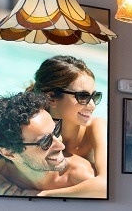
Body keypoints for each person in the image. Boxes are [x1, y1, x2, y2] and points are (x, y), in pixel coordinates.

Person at [0, 91, 95, 197]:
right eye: (45, 141)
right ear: (9, 153)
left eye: (56, 131)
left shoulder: (82, 180)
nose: (61, 146)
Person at [29, 55, 107, 197]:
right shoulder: (29, 129)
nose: (92, 105)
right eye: (82, 96)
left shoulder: (96, 127)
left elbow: (106, 186)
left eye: (95, 96)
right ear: (51, 97)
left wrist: (42, 195)